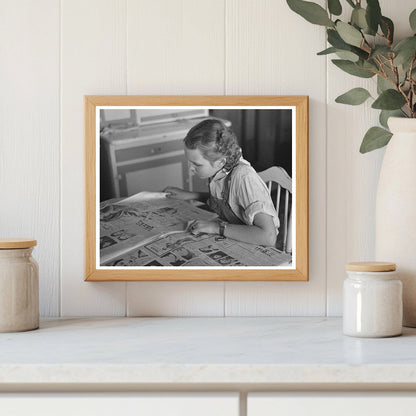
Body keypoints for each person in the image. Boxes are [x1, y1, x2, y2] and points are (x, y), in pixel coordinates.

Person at [164, 119, 279, 247]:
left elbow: (268, 237)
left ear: (220, 162)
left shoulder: (244, 178)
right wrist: (191, 195)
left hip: (256, 245)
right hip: (233, 239)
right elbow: (229, 201)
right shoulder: (218, 171)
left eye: (196, 164)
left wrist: (216, 228)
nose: (190, 168)